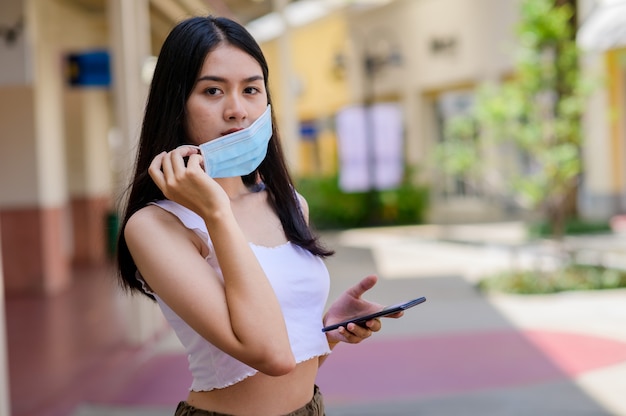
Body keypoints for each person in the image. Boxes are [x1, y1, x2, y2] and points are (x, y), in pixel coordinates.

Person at [115, 15, 402, 416]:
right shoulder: (157, 227)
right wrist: (216, 208)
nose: (237, 110)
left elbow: (287, 361)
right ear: (175, 103)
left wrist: (326, 333)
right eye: (212, 90)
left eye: (251, 89)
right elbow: (270, 355)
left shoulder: (288, 203)